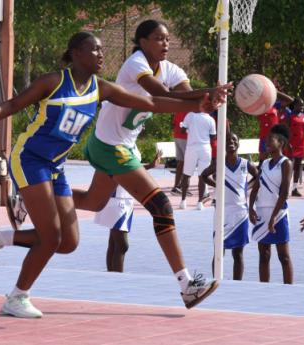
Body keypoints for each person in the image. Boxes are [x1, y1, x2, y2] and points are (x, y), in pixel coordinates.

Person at [0, 31, 228, 318]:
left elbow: (153, 103)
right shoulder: (54, 82)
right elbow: (13, 105)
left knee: (68, 242)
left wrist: (199, 106)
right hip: (29, 159)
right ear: (76, 53)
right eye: (94, 50)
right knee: (52, 236)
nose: (101, 55)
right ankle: (17, 296)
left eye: (102, 50)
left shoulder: (100, 88)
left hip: (55, 165)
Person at [68, 20, 232, 309]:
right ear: (142, 41)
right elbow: (162, 95)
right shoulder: (135, 64)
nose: (165, 44)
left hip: (118, 142)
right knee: (161, 206)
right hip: (110, 144)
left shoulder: (170, 68)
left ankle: (31, 197)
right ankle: (186, 285)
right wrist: (207, 94)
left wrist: (208, 99)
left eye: (167, 39)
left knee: (94, 202)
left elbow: (186, 91)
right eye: (158, 38)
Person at [202, 132, 258, 280]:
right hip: (222, 211)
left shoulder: (246, 164)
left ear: (238, 143)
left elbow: (258, 178)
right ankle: (216, 282)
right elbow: (203, 175)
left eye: (234, 139)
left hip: (240, 213)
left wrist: (247, 187)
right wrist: (217, 185)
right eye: (227, 140)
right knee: (219, 251)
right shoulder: (219, 163)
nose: (231, 142)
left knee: (238, 253)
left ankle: (237, 284)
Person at [97, 148, 162, 272]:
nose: (142, 127)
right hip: (117, 198)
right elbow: (122, 168)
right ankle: (117, 278)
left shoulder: (131, 142)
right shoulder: (118, 141)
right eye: (141, 126)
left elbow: (131, 168)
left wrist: (150, 166)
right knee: (122, 245)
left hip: (126, 198)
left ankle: (110, 276)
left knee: (114, 243)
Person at [249, 124, 294, 284]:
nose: (266, 142)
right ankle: (264, 288)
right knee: (264, 255)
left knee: (284, 256)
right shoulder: (265, 163)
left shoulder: (285, 163)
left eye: (270, 140)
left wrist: (273, 217)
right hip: (262, 212)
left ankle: (289, 289)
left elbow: (284, 193)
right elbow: (255, 188)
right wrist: (251, 209)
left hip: (279, 214)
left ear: (280, 143)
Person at [179, 111, 215, 210]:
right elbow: (213, 136)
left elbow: (182, 131)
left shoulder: (190, 115)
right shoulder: (210, 119)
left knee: (186, 175)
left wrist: (188, 130)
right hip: (205, 148)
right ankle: (200, 202)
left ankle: (183, 201)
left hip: (192, 148)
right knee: (203, 176)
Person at [257, 91, 294, 169]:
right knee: (262, 162)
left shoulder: (274, 105)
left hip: (276, 138)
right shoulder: (258, 107)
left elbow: (290, 100)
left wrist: (275, 91)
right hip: (265, 137)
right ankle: (258, 179)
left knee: (278, 159)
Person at [283, 98, 304, 197]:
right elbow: (285, 131)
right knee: (290, 166)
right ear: (295, 105)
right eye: (300, 105)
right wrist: (287, 143)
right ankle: (285, 189)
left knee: (298, 166)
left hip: (301, 145)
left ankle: (294, 189)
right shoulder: (289, 116)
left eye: (303, 105)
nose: (302, 107)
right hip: (291, 145)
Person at [170, 112, 190, 196]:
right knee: (188, 163)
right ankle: (183, 187)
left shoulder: (178, 110)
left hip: (177, 137)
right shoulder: (189, 112)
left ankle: (176, 186)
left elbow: (173, 124)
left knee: (181, 163)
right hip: (185, 138)